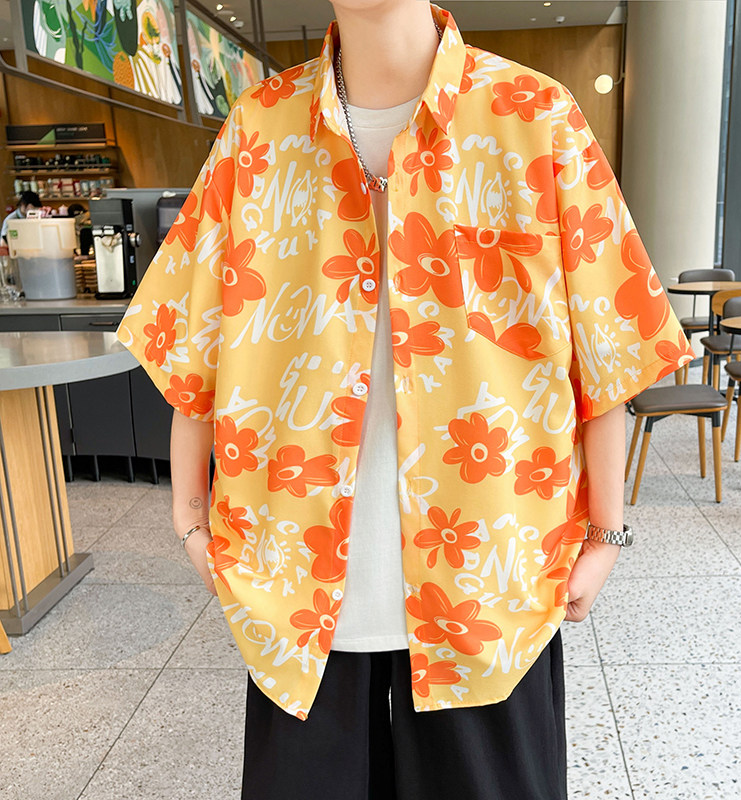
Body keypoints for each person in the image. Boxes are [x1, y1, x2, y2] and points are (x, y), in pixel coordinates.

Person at [116, 2, 693, 797]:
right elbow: (195, 342)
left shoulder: (534, 115)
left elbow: (609, 347)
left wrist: (607, 533)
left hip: (491, 582)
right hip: (295, 589)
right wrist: (189, 519)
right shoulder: (259, 127)